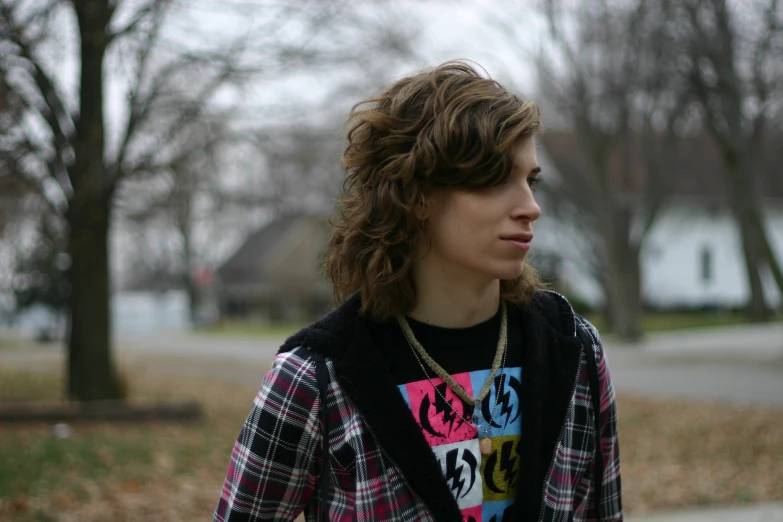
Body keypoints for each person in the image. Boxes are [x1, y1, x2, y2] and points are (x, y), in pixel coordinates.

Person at [213, 61, 622, 522]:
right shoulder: (316, 380)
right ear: (417, 196)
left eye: (531, 180)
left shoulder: (574, 349)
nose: (530, 207)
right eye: (494, 179)